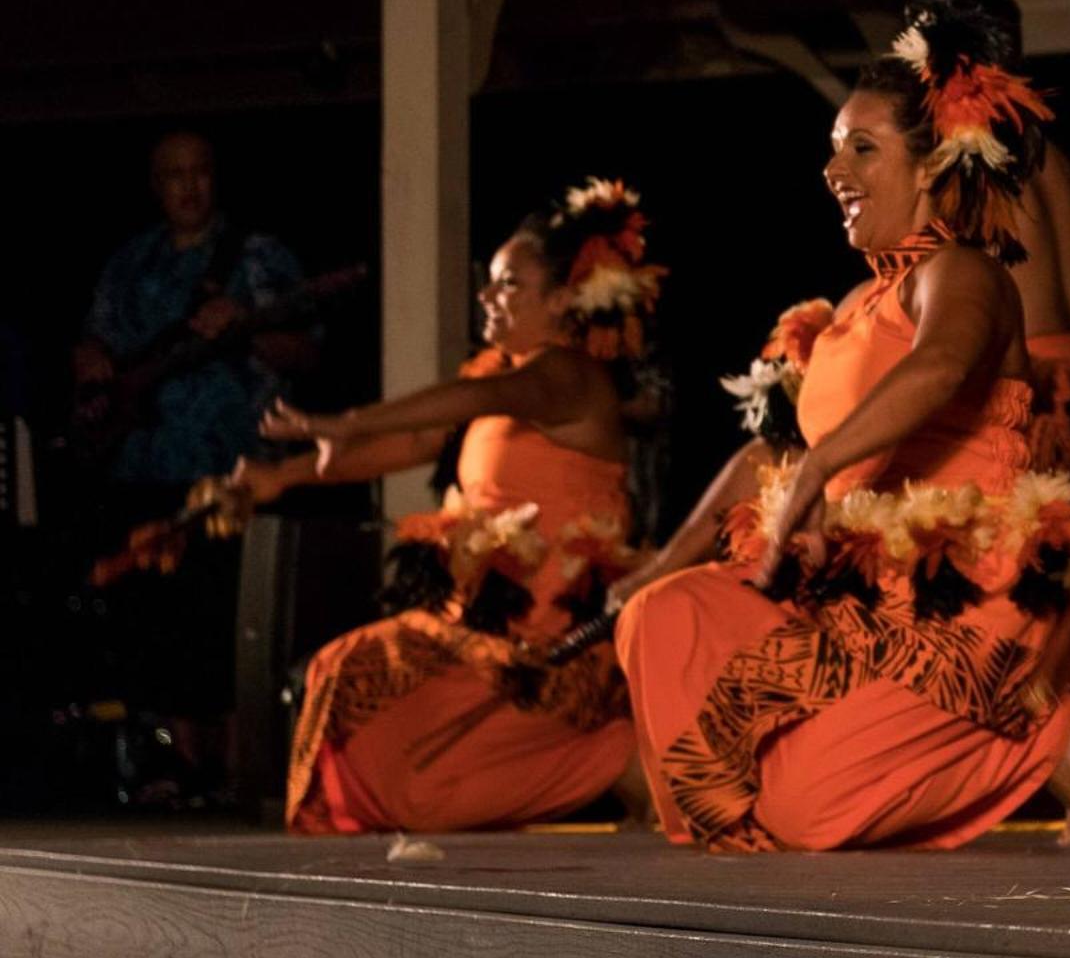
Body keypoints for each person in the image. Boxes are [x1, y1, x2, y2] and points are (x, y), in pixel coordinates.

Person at [612, 0, 1070, 853]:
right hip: (847, 593)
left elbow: (941, 367)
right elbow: (785, 452)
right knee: (663, 615)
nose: (833, 168)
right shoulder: (851, 306)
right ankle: (744, 826)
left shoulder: (966, 272)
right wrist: (688, 547)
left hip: (954, 602)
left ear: (928, 168)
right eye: (833, 148)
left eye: (862, 148)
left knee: (808, 804)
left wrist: (818, 472)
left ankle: (1028, 726)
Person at [232, 180, 663, 833]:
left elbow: (472, 402)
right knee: (344, 669)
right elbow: (415, 438)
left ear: (564, 298)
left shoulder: (570, 377)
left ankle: (616, 761)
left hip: (553, 632)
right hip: (482, 612)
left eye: (510, 284)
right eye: (490, 281)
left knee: (421, 792)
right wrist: (282, 475)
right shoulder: (497, 372)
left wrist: (347, 419)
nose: (488, 296)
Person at [75, 131, 317, 494]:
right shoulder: (128, 263)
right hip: (138, 475)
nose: (189, 186)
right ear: (157, 186)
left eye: (199, 173)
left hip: (240, 477)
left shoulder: (260, 257)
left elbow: (307, 354)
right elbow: (96, 345)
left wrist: (244, 328)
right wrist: (88, 356)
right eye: (176, 175)